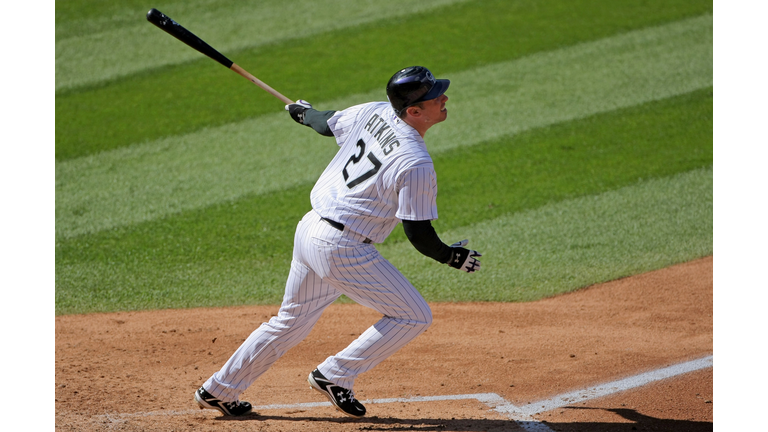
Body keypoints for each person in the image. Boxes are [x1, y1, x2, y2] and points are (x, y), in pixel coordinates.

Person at [193, 66, 482, 418]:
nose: (444, 97)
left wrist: (303, 113)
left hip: (310, 230)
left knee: (290, 322)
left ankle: (218, 389)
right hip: (343, 249)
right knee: (413, 315)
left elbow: (324, 122)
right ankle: (335, 374)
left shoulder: (375, 110)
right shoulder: (415, 161)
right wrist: (453, 256)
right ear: (414, 111)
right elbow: (419, 235)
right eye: (436, 95)